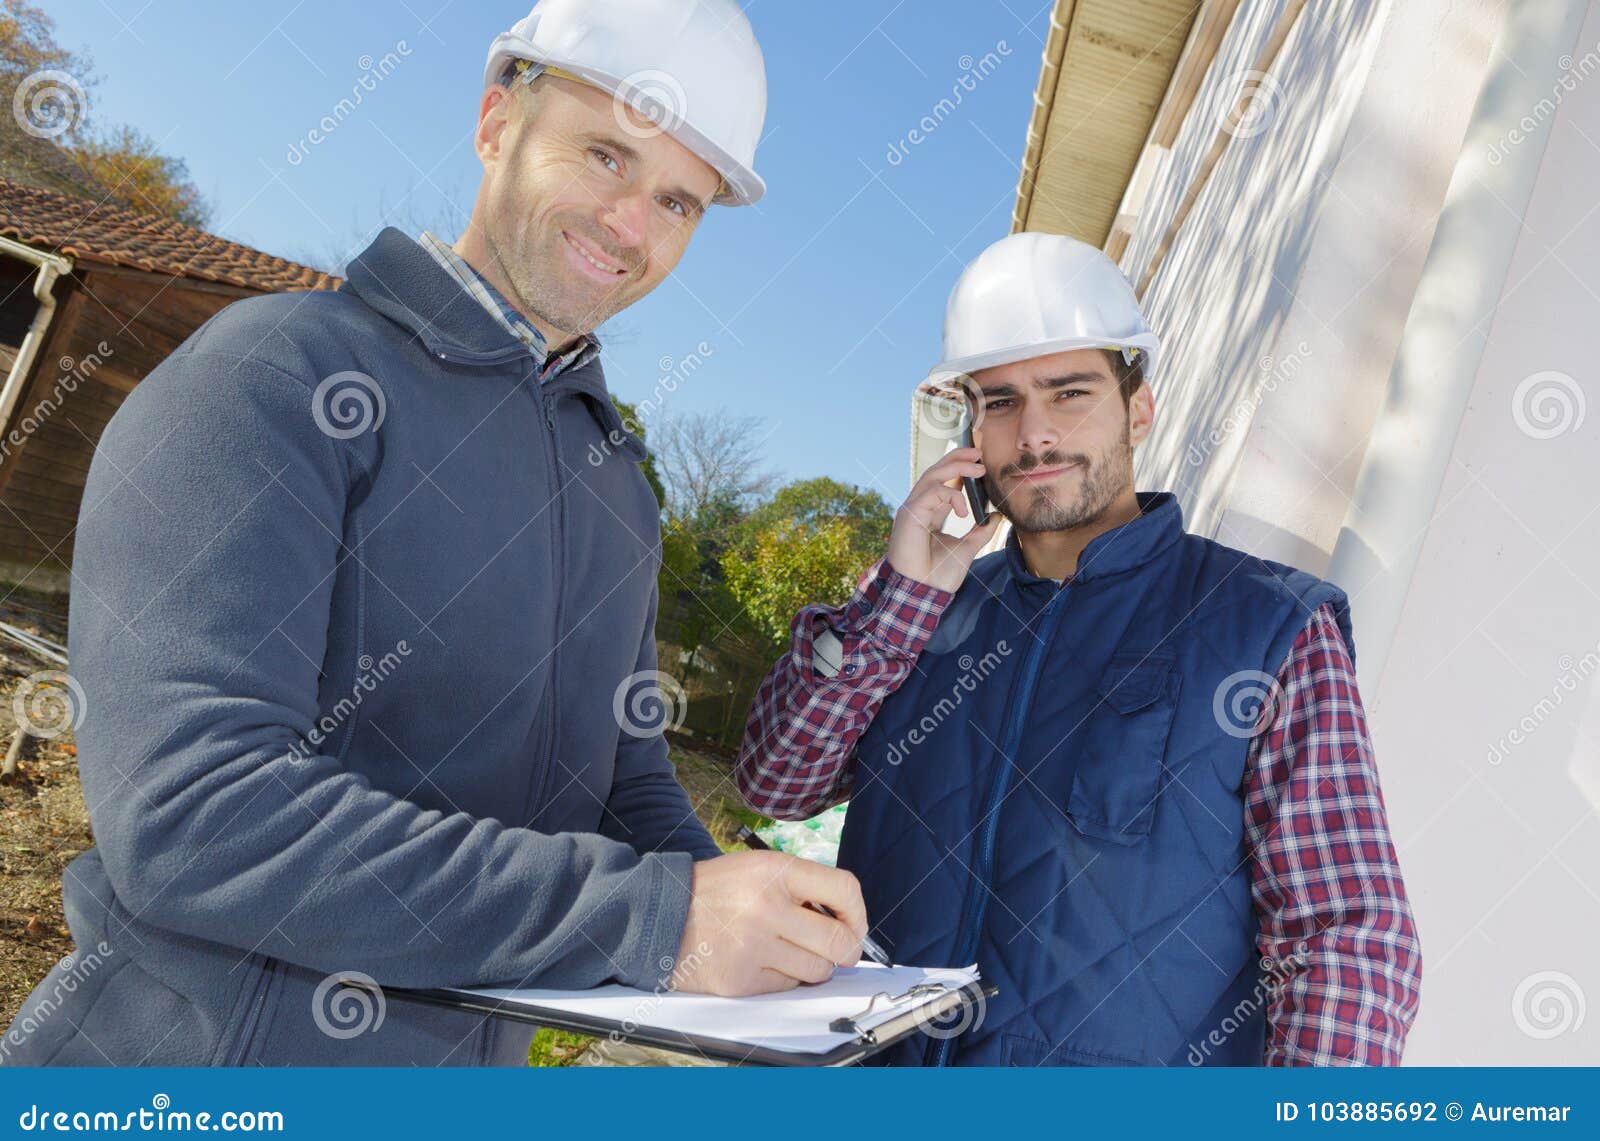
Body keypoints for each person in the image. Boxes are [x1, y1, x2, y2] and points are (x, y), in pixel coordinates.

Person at [2, 0, 866, 1068]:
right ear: (497, 121)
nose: (630, 226)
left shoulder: (618, 487)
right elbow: (192, 815)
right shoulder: (278, 373)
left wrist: (758, 918)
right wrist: (649, 917)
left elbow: (626, 782)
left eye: (678, 201)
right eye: (605, 155)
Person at [737, 232, 1423, 1067]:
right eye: (999, 402)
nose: (1034, 435)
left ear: (1138, 408)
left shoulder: (1266, 623)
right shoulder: (920, 617)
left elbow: (1344, 933)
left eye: (1069, 393)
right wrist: (894, 604)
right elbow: (776, 781)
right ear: (969, 433)